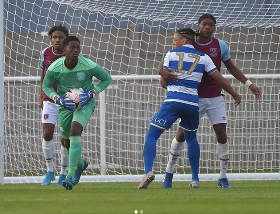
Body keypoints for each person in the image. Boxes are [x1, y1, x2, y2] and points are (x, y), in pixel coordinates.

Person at [160, 13, 261, 189]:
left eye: (211, 25)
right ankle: (168, 173)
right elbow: (167, 63)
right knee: (182, 134)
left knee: (222, 133)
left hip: (215, 96)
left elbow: (231, 68)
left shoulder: (220, 45)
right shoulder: (189, 43)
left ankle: (223, 177)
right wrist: (162, 73)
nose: (207, 27)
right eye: (204, 24)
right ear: (198, 26)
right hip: (193, 97)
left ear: (214, 27)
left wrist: (248, 84)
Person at [137, 28, 241, 189]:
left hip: (173, 101)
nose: (173, 42)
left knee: (152, 136)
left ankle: (148, 172)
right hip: (193, 103)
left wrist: (168, 79)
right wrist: (235, 94)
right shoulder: (204, 58)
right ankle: (195, 179)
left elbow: (163, 83)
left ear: (183, 41)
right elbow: (220, 80)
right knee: (191, 138)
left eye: (175, 39)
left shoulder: (171, 54)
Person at [43, 36, 112, 190]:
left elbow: (107, 79)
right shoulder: (55, 67)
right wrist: (57, 99)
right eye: (72, 48)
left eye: (78, 48)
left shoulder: (88, 65)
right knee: (65, 141)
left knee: (75, 132)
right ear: (64, 50)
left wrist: (92, 93)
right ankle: (80, 163)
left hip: (85, 104)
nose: (76, 50)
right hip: (65, 106)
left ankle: (70, 175)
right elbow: (46, 86)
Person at [40, 24, 70, 186]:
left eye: (60, 37)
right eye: (55, 37)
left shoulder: (72, 53)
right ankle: (50, 171)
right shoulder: (45, 53)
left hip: (67, 101)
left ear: (66, 39)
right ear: (50, 38)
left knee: (65, 139)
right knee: (47, 134)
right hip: (50, 99)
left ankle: (63, 173)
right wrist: (41, 97)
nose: (57, 40)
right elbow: (43, 76)